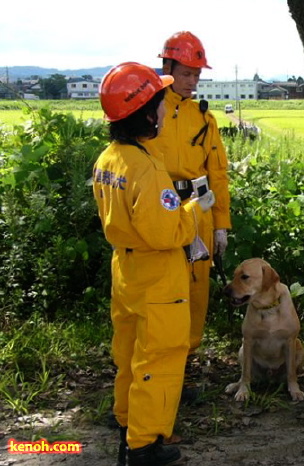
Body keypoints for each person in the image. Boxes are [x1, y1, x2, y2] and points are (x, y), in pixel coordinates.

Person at [93, 62, 216, 465]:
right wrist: (195, 210)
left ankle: (128, 422)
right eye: (160, 105)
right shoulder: (146, 168)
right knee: (160, 357)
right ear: (146, 113)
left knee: (128, 353)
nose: (165, 111)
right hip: (159, 272)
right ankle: (145, 444)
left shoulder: (109, 159)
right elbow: (167, 233)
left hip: (126, 270)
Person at [156, 30, 232, 355]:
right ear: (167, 67)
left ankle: (184, 364)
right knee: (161, 286)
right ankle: (158, 359)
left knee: (197, 288)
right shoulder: (150, 111)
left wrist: (221, 225)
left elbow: (218, 174)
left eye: (197, 74)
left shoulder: (204, 118)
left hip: (198, 210)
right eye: (186, 73)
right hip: (159, 210)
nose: (192, 81)